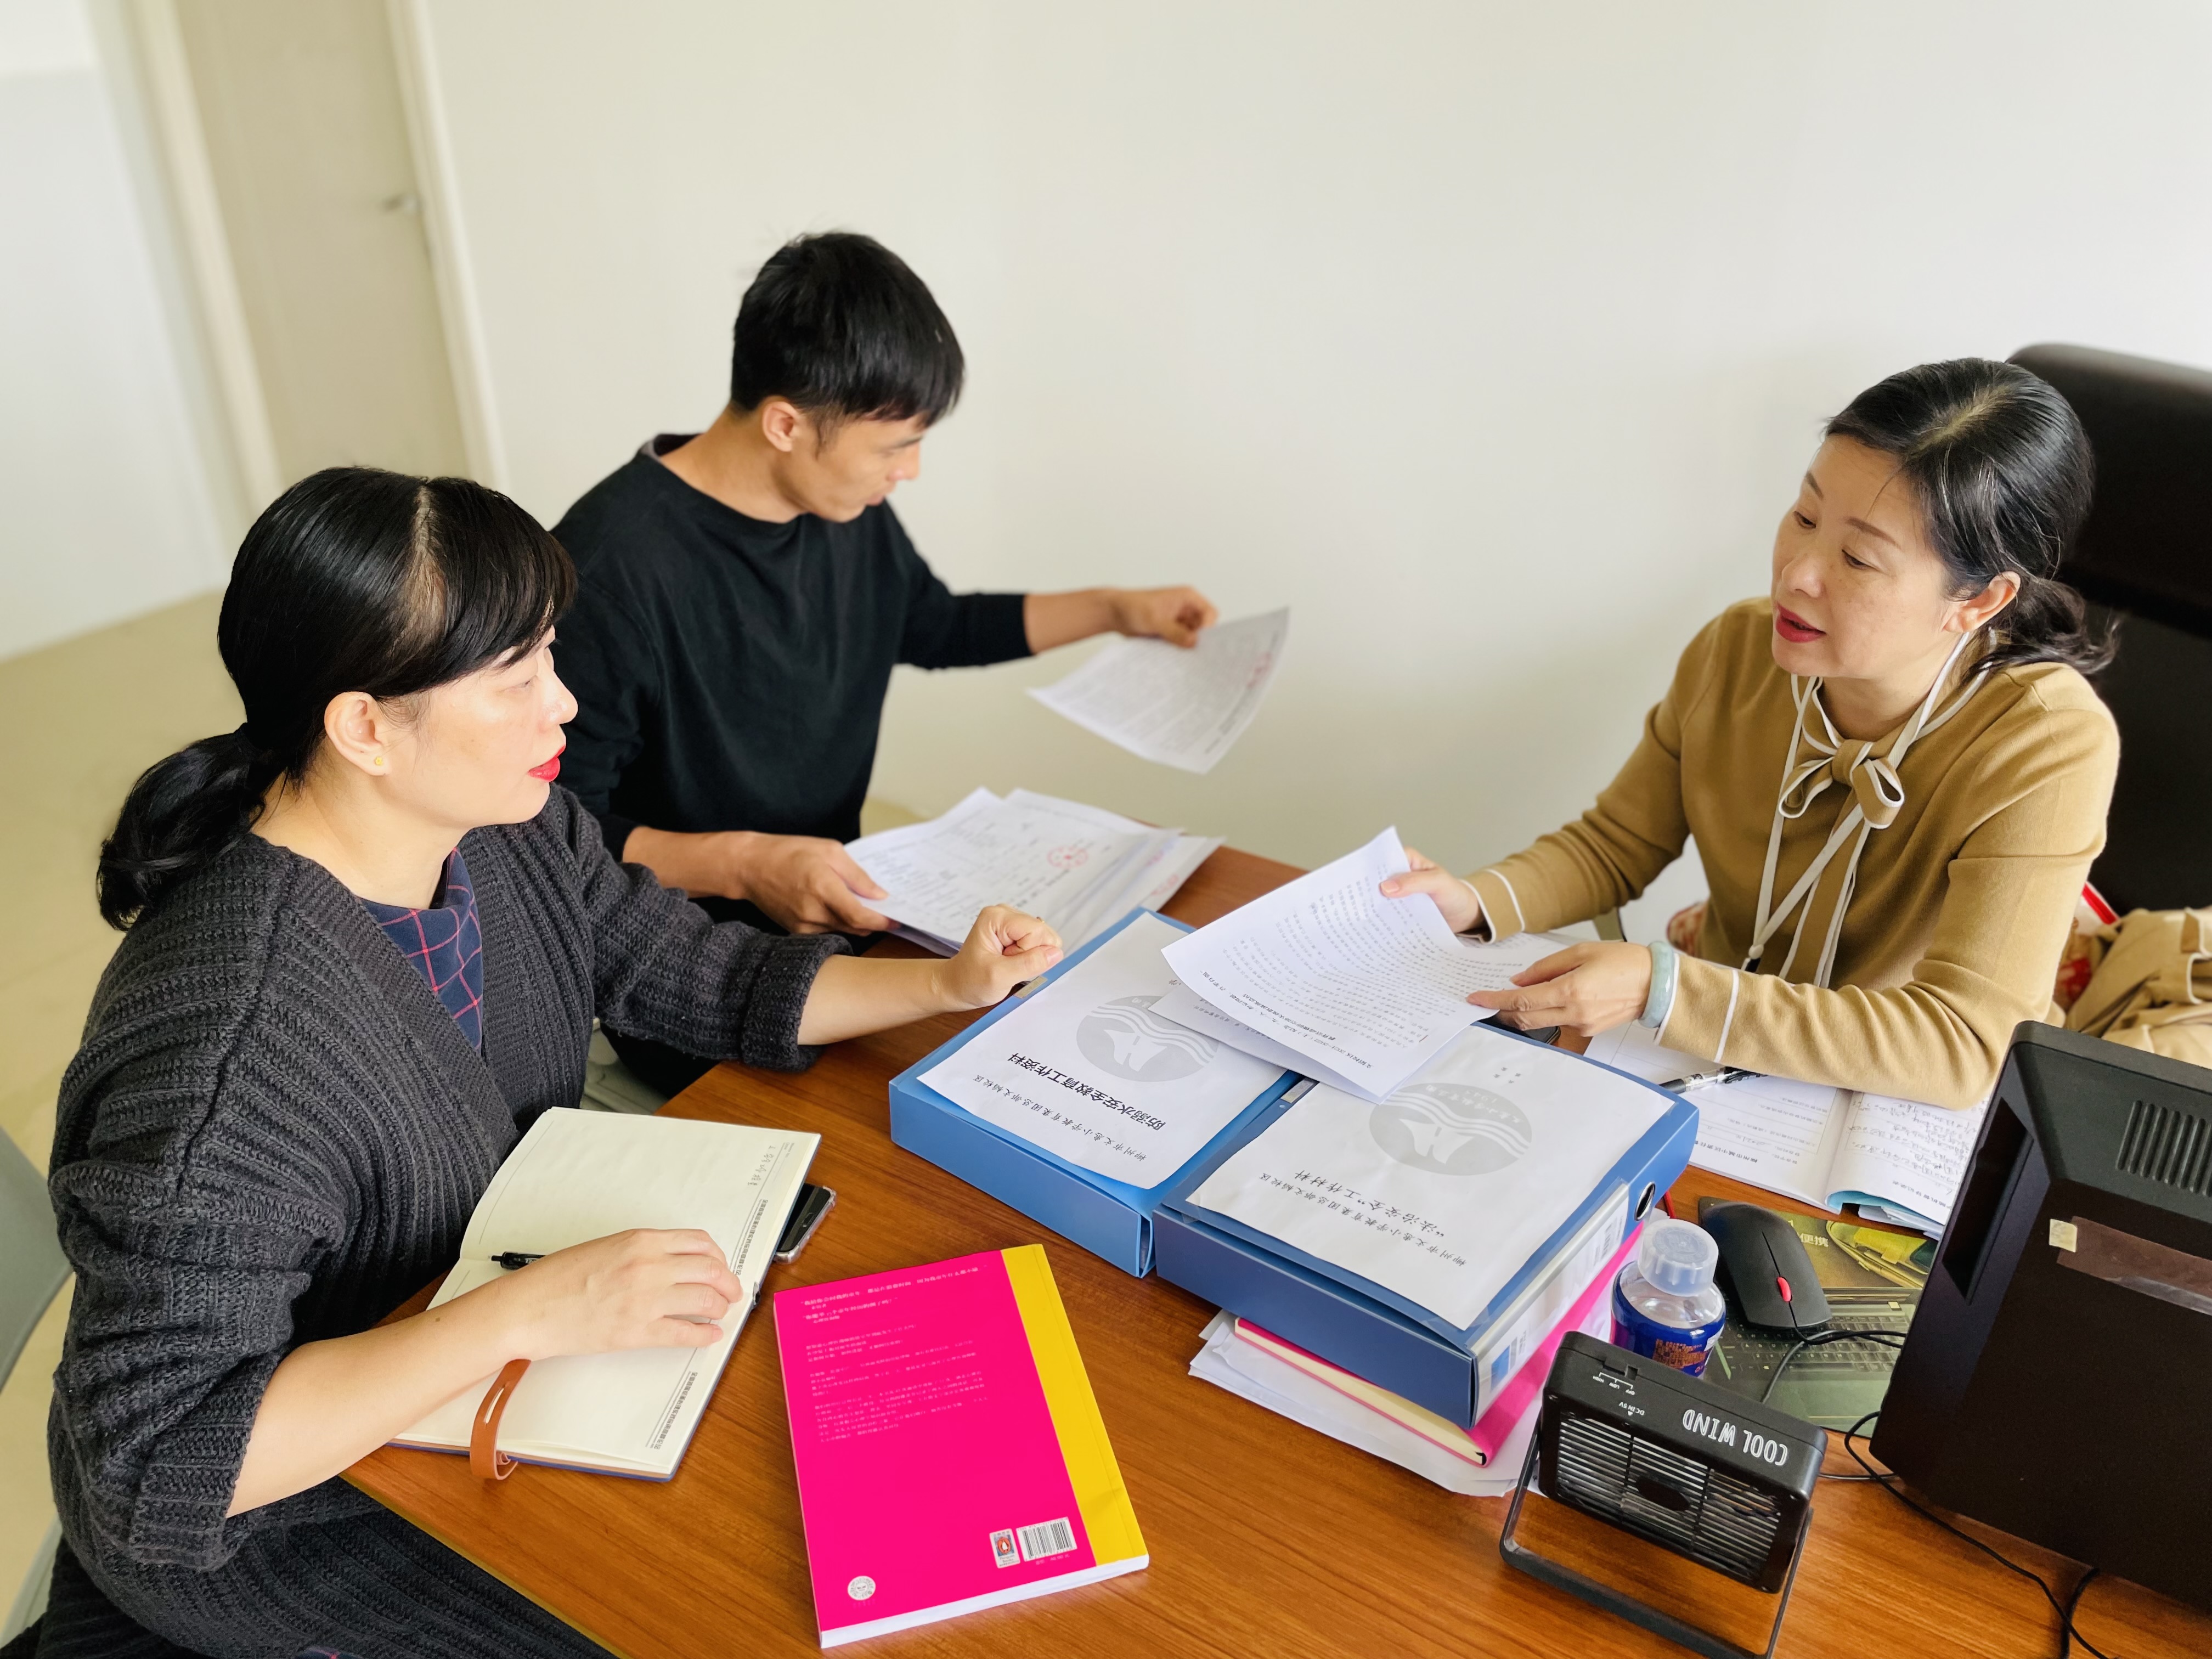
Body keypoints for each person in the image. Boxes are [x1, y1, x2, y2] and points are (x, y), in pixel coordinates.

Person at [38, 469, 1060, 1659]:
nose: (563, 705)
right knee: (718, 1598)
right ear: (364, 726)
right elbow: (159, 1464)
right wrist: (523, 1314)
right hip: (289, 1517)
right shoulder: (228, 1053)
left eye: (551, 656)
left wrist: (946, 985)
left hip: (478, 1352)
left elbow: (697, 972)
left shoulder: (502, 835)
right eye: (516, 676)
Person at [1382, 358, 2119, 1110]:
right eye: (1805, 516)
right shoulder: (1736, 650)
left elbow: (1961, 1044)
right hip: (1714, 1068)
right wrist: (1473, 903)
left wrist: (1668, 990)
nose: (1798, 574)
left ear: (1979, 600)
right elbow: (1616, 844)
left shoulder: (2048, 743)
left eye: (1858, 558)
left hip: (1890, 1109)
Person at [550, 230, 1215, 930]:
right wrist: (745, 866)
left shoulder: (840, 504)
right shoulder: (604, 572)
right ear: (786, 426)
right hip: (683, 944)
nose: (910, 471)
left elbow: (933, 625)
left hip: (838, 908)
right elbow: (555, 829)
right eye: (896, 448)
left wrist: (1114, 610)